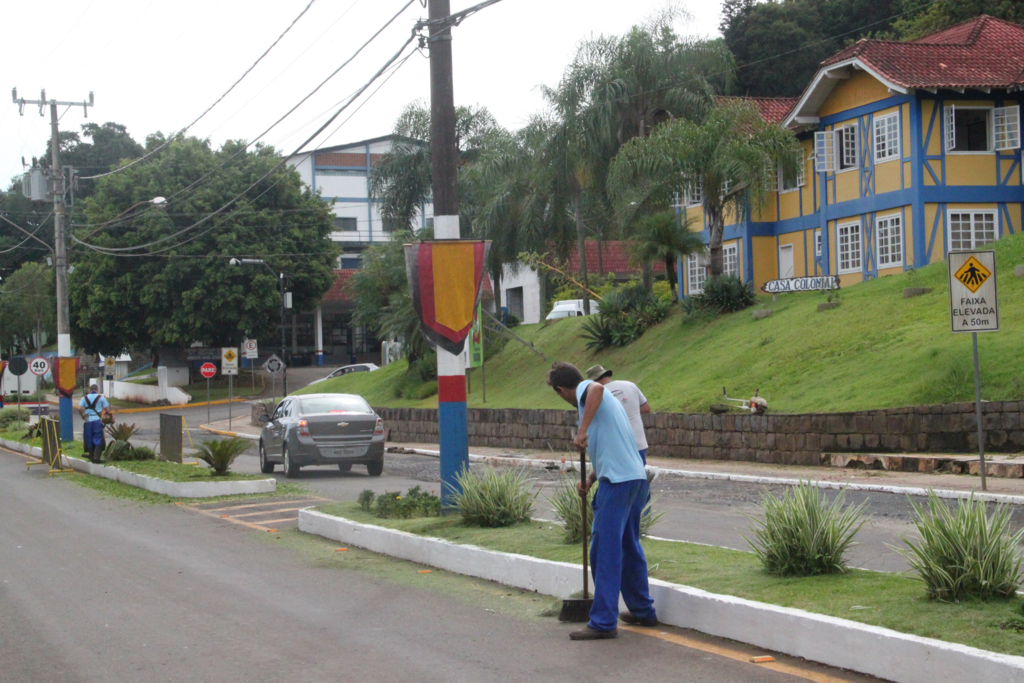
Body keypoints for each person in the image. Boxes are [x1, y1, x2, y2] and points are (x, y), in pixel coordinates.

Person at [548, 361, 657, 640]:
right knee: (628, 546)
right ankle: (643, 611)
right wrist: (589, 481)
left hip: (618, 483)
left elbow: (595, 386)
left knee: (604, 552)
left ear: (562, 389)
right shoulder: (604, 405)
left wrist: (581, 430)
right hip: (633, 478)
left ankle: (604, 622)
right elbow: (611, 447)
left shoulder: (589, 390)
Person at [77, 384, 109, 463]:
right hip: (97, 420)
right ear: (97, 390)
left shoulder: (84, 398)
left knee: (89, 437)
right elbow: (107, 410)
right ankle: (96, 457)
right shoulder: (101, 398)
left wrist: (83, 416)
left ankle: (91, 456)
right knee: (98, 437)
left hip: (87, 420)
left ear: (90, 390)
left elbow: (79, 408)